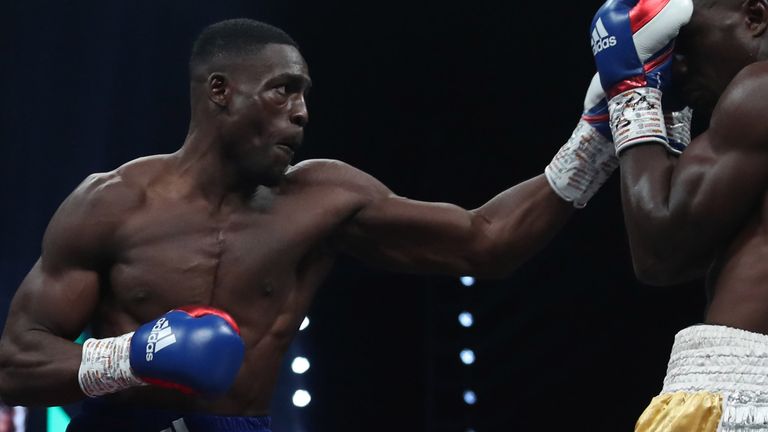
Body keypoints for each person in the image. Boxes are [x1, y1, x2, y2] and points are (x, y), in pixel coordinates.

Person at [0, 18, 618, 432]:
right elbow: (15, 361)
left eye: (304, 94)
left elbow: (485, 241)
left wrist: (594, 138)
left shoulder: (321, 200)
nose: (301, 113)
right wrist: (134, 357)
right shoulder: (112, 204)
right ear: (220, 91)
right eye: (282, 91)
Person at [590, 0, 768, 430]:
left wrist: (632, 91)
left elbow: (659, 253)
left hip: (743, 396)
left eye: (684, 45)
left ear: (755, 17)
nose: (677, 70)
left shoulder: (760, 89)